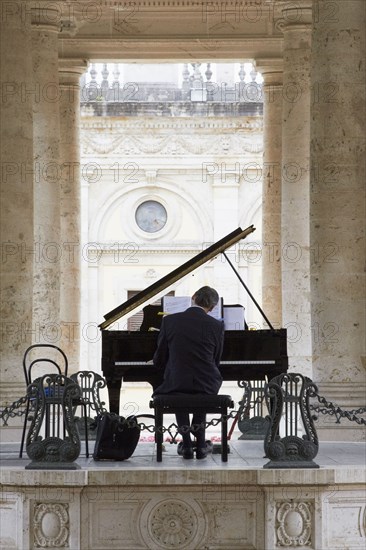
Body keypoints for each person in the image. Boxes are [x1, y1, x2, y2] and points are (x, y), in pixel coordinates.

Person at [153, 286, 225, 459]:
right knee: (202, 387)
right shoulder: (217, 325)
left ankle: (186, 444)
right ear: (213, 307)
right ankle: (200, 445)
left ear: (193, 297)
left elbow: (160, 358)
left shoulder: (170, 321)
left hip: (178, 381)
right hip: (207, 382)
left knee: (178, 385)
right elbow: (216, 359)